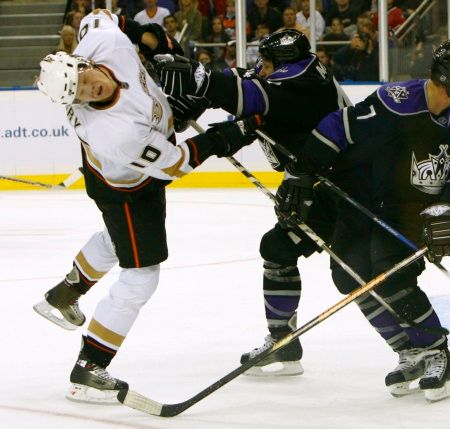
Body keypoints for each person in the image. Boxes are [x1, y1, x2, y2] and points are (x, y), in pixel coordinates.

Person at [33, 9, 261, 404]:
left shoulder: (101, 42)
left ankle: (65, 292)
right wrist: (227, 137)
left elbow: (100, 16)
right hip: (128, 186)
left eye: (86, 80)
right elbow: (174, 163)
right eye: (81, 94)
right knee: (141, 275)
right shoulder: (115, 133)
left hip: (115, 166)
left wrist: (148, 41)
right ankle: (89, 365)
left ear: (84, 60)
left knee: (115, 237)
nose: (91, 90)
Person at [154, 28, 351, 375]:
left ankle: (425, 348)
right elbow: (244, 84)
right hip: (321, 190)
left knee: (360, 273)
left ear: (284, 65)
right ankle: (283, 342)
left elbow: (245, 94)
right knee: (278, 249)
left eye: (267, 62)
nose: (261, 67)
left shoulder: (301, 87)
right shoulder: (300, 72)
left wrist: (198, 80)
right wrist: (197, 103)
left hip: (347, 193)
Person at [278, 40, 450, 401]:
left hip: (415, 210)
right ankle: (409, 350)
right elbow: (338, 125)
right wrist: (301, 173)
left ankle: (436, 350)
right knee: (349, 275)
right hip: (369, 200)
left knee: (391, 270)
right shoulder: (398, 102)